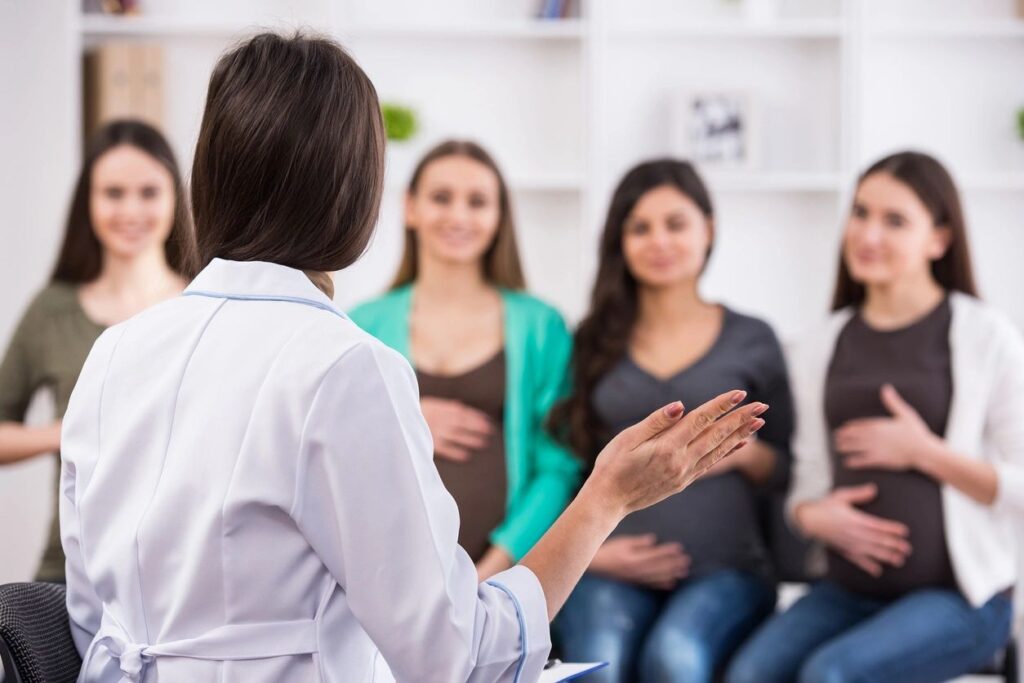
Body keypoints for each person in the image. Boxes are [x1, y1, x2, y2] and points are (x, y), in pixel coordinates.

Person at [59, 33, 766, 683]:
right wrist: (607, 495)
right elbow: (454, 653)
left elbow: (88, 615)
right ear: (357, 192)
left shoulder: (115, 352)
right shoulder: (341, 364)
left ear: (208, 176)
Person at [726, 151, 1023, 683]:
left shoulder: (987, 337)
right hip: (849, 592)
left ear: (939, 239)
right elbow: (807, 482)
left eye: (895, 220)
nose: (868, 234)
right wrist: (812, 518)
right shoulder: (820, 344)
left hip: (963, 600)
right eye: (860, 213)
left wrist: (925, 453)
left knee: (830, 674)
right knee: (749, 673)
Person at [550, 159, 794, 683]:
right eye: (640, 228)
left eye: (675, 224)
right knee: (596, 664)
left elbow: (790, 470)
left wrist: (739, 452)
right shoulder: (589, 342)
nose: (659, 240)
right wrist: (597, 555)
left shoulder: (754, 339)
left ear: (708, 229)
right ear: (620, 241)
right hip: (610, 566)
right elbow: (567, 468)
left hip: (726, 570)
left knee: (676, 658)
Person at [350, 139, 580, 580]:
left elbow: (558, 467)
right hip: (386, 580)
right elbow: (335, 451)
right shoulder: (363, 323)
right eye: (441, 198)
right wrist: (406, 423)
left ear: (498, 217)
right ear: (410, 208)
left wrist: (492, 573)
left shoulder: (542, 327)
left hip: (508, 579)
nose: (458, 216)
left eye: (477, 202)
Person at [0, 119, 189, 582]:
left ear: (175, 199)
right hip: (71, 573)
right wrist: (66, 434)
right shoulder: (51, 310)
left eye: (148, 192)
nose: (131, 209)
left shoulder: (202, 304)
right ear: (89, 202)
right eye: (113, 193)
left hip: (185, 576)